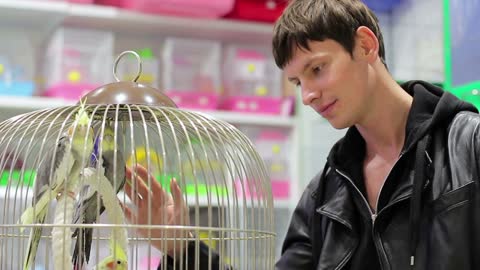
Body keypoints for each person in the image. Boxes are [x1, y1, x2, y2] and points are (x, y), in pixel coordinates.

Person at [125, 0, 480, 269]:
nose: (307, 95)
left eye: (318, 69)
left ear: (366, 46)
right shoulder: (326, 192)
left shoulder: (467, 147)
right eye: (297, 81)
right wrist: (180, 247)